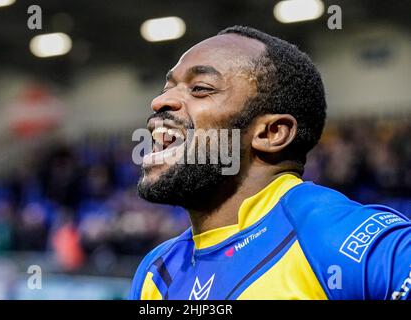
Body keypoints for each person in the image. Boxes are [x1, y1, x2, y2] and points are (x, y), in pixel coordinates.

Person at [129, 26, 411, 300]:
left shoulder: (334, 237)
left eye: (200, 88)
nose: (159, 101)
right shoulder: (157, 271)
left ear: (271, 133)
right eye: (167, 88)